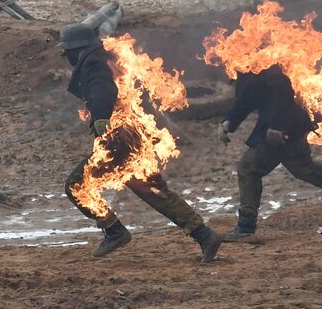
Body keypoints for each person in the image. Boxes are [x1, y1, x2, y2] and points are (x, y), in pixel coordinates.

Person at [58, 24, 222, 262]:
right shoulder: (104, 57)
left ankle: (114, 230)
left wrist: (101, 115)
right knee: (154, 190)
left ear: (76, 49)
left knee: (76, 185)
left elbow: (103, 88)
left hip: (120, 139)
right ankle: (205, 235)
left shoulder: (93, 62)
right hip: (134, 135)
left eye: (67, 52)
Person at [217, 65, 322, 241]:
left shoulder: (264, 63)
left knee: (249, 168)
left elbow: (284, 90)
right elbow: (247, 98)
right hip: (289, 125)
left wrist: (277, 127)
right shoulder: (246, 66)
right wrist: (229, 122)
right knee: (304, 168)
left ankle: (246, 229)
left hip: (283, 126)